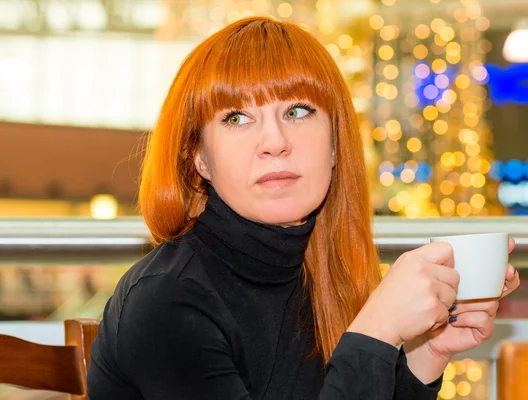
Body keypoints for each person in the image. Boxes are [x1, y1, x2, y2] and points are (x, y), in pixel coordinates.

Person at [87, 16, 520, 399]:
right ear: (199, 157)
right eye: (236, 118)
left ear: (335, 144)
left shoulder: (319, 272)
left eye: (297, 111)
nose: (274, 142)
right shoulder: (168, 301)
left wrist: (429, 352)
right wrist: (377, 330)